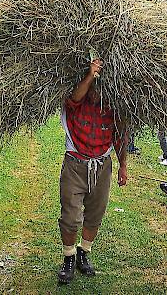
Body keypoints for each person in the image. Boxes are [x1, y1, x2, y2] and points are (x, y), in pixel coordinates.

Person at [57, 59, 128, 284]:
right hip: (75, 164)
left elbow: (119, 137)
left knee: (95, 213)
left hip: (102, 165)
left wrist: (123, 165)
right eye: (93, 89)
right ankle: (68, 258)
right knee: (70, 216)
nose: (96, 94)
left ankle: (83, 253)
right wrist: (90, 75)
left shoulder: (112, 109)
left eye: (100, 90)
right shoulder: (76, 103)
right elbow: (74, 99)